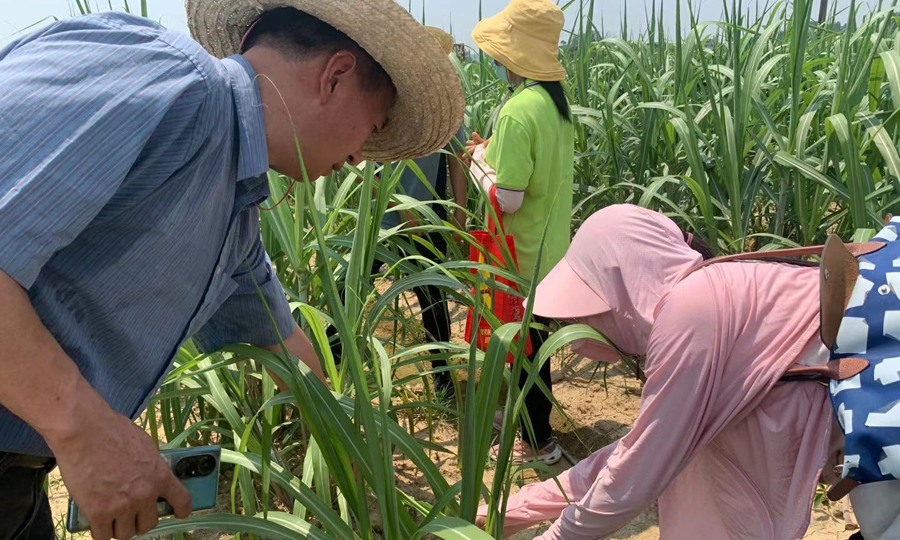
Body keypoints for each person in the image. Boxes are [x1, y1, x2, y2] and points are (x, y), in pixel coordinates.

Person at [0, 2, 464, 539]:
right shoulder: (166, 80)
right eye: (373, 127)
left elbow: (280, 345)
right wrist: (82, 429)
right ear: (335, 76)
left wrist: (364, 461)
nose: (363, 156)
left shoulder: (232, 213)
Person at [477, 204, 900, 539]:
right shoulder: (715, 293)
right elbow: (638, 451)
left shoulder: (690, 312)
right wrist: (513, 510)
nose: (584, 328)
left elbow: (636, 474)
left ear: (623, 283)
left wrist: (553, 536)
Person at [329, 27, 467, 401]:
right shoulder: (382, 99)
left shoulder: (445, 106)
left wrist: (459, 215)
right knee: (350, 291)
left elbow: (458, 157)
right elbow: (359, 164)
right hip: (381, 222)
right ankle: (331, 368)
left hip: (428, 222)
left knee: (433, 301)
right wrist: (399, 207)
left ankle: (443, 379)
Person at [468, 0, 575, 465]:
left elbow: (508, 197)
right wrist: (489, 152)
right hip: (551, 249)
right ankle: (523, 416)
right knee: (534, 341)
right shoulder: (554, 106)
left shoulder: (516, 111)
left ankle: (539, 440)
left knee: (528, 347)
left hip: (520, 254)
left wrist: (477, 165)